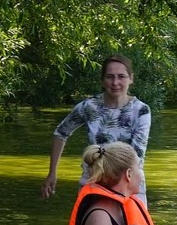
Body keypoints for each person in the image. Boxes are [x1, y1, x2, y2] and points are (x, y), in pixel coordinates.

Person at [41, 56, 152, 199]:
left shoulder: (141, 110)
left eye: (121, 76)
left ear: (131, 79)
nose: (115, 82)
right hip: (93, 183)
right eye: (109, 77)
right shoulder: (89, 107)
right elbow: (60, 133)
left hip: (129, 185)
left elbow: (137, 154)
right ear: (102, 80)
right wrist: (52, 173)